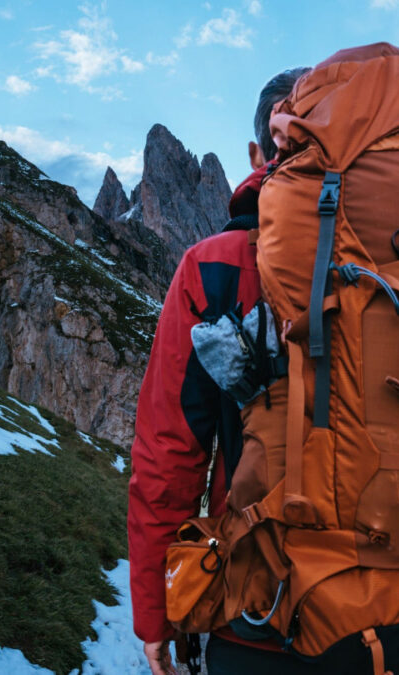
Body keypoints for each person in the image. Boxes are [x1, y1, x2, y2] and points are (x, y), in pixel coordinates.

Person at [127, 67, 309, 675]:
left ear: (258, 154)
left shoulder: (216, 265)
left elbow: (170, 457)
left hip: (258, 614)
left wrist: (157, 614)